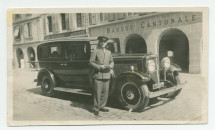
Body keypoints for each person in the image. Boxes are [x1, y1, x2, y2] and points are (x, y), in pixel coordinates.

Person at [89, 36, 114, 116]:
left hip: (106, 75)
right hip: (98, 75)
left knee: (105, 92)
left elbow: (112, 61)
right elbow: (91, 62)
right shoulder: (95, 51)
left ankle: (102, 106)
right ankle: (96, 108)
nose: (103, 43)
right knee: (97, 92)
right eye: (101, 42)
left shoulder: (109, 52)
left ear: (106, 43)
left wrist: (110, 66)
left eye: (104, 42)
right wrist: (99, 67)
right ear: (99, 42)